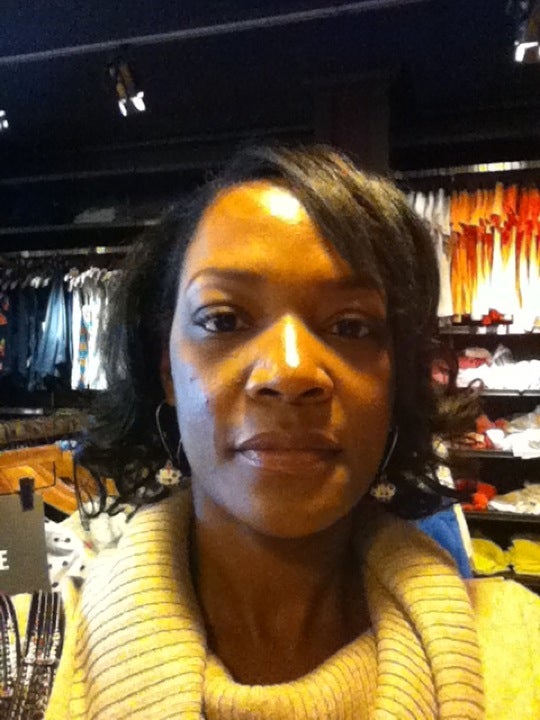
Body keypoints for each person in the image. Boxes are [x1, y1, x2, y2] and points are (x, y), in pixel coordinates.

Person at [41, 146, 539, 719]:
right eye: (224, 320)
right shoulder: (29, 662)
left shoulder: (520, 651)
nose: (290, 372)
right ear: (165, 369)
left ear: (397, 376)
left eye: (350, 326)